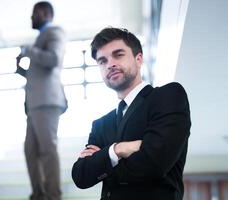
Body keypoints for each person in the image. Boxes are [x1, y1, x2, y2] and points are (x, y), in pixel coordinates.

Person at [71, 27, 191, 200]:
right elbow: (81, 176)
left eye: (118, 55)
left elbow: (155, 163)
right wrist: (118, 149)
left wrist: (103, 162)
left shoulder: (167, 96)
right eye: (102, 61)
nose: (110, 64)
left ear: (138, 58)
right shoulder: (101, 124)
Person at [15, 1, 67, 200]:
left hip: (46, 102)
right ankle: (39, 194)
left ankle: (53, 195)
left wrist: (29, 51)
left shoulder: (55, 32)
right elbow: (37, 73)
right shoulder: (40, 38)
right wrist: (21, 69)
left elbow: (54, 59)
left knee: (47, 149)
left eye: (34, 13)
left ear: (45, 13)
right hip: (34, 105)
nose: (31, 17)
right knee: (30, 151)